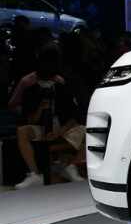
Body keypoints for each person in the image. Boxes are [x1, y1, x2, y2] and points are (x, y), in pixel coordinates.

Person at [12, 44, 85, 189]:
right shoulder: (30, 87)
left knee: (89, 132)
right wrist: (41, 108)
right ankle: (35, 174)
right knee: (22, 131)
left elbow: (74, 116)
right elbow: (29, 119)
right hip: (41, 128)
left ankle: (70, 167)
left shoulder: (62, 85)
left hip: (62, 128)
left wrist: (60, 131)